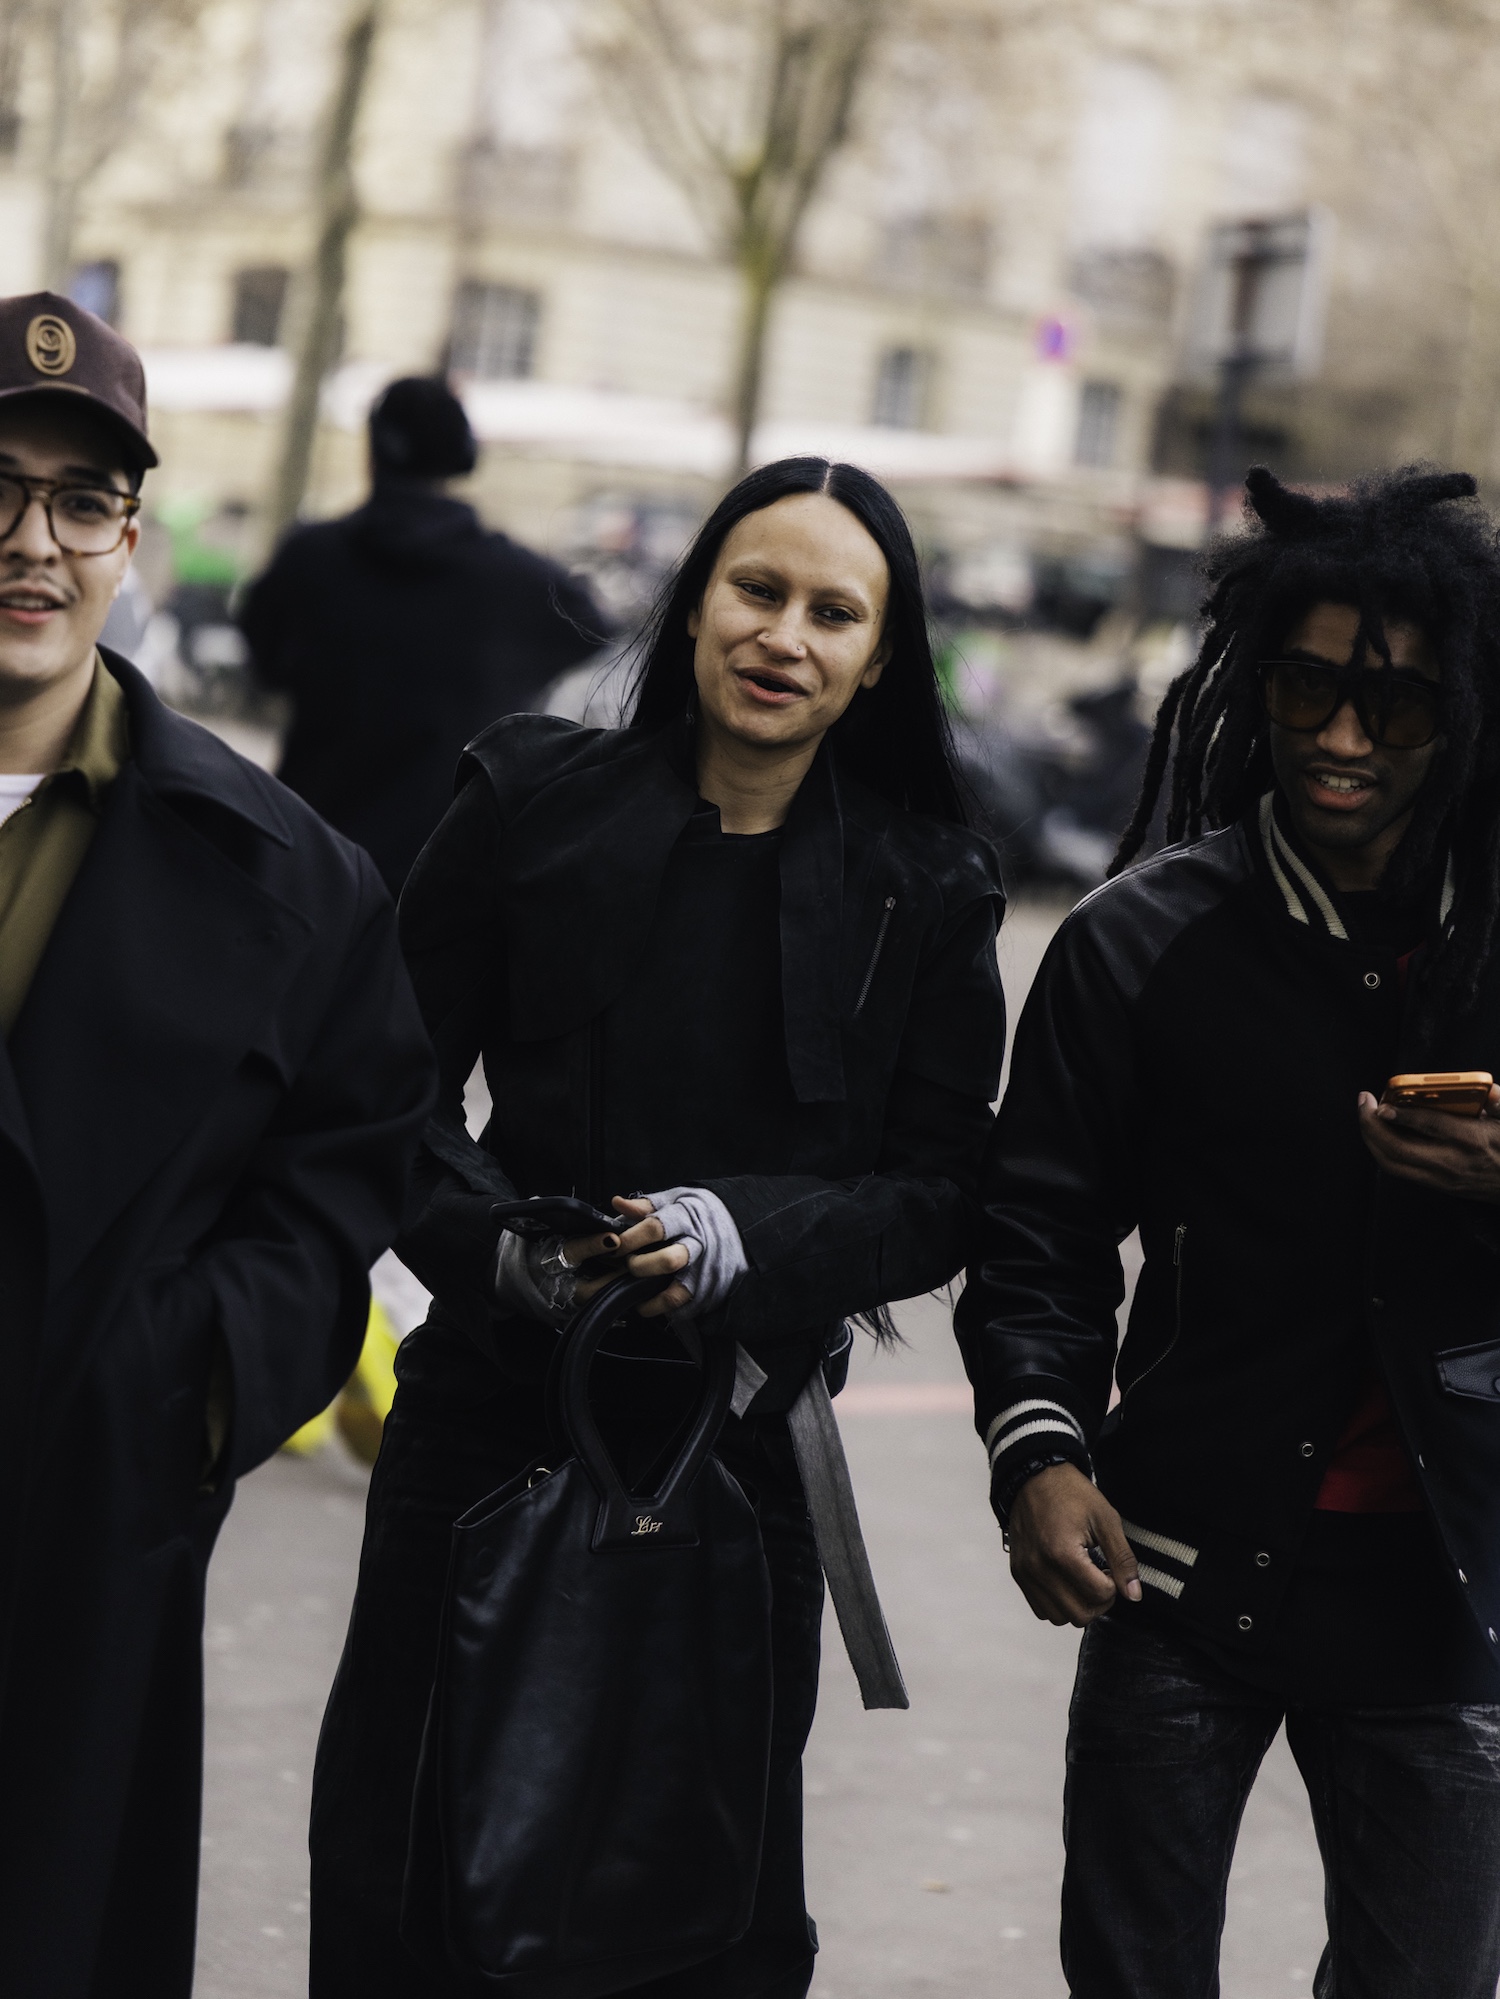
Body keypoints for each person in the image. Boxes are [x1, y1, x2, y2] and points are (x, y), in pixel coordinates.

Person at [309, 456, 1008, 1997]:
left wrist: (746, 1235)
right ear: (695, 603)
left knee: (697, 1900)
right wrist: (502, 1246)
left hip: (742, 1451)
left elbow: (945, 1188)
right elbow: (384, 1090)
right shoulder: (526, 799)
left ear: (880, 656)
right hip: (488, 1423)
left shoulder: (925, 880)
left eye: (834, 611)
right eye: (758, 589)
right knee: (412, 1857)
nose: (785, 635)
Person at [957, 464, 1500, 1998]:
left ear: (1465, 711)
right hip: (1177, 1579)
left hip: (1450, 1590)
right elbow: (1039, 1234)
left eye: (1395, 703)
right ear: (1254, 682)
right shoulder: (1139, 939)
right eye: (1307, 687)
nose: (1342, 736)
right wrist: (1038, 1449)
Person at [0, 290, 435, 1997]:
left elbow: (343, 1179)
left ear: (131, 536)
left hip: (78, 1553)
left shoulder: (289, 875)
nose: (32, 541)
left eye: (79, 500)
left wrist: (172, 1388)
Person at [241, 375, 608, 895]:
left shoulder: (309, 559)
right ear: (462, 457)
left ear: (373, 451)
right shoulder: (516, 581)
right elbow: (592, 631)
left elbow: (265, 664)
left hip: (309, 857)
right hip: (443, 873)